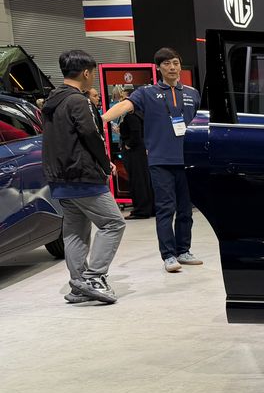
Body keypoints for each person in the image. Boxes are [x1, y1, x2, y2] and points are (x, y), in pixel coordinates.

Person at [102, 47, 202, 273]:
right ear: (159, 68)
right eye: (167, 64)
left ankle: (183, 250)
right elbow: (125, 105)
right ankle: (169, 255)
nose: (172, 67)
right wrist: (102, 119)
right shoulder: (146, 93)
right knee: (165, 208)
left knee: (186, 210)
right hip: (160, 161)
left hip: (187, 161)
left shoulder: (192, 93)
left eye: (175, 63)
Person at [41, 50, 125, 304]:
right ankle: (94, 277)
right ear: (86, 73)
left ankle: (79, 285)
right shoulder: (79, 100)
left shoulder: (52, 100)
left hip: (59, 178)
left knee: (75, 231)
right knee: (113, 223)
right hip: (83, 175)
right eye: (93, 74)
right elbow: (91, 134)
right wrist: (105, 163)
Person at [115, 87, 154, 219]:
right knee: (144, 179)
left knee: (137, 180)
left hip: (134, 152)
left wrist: (128, 145)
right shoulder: (140, 114)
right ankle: (148, 207)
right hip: (141, 151)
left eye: (124, 98)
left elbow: (135, 134)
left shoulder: (131, 116)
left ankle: (141, 209)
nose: (121, 101)